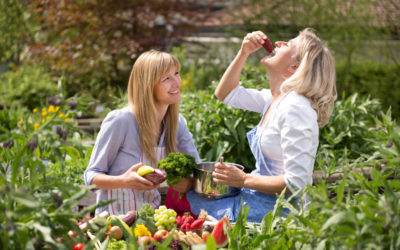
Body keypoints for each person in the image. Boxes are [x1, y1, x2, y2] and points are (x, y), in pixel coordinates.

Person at [187, 28, 337, 222]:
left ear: (294, 67)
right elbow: (225, 94)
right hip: (261, 199)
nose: (278, 43)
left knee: (187, 205)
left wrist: (243, 179)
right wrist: (244, 52)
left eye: (288, 44)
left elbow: (296, 182)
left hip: (280, 212)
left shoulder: (296, 108)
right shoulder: (273, 99)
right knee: (186, 200)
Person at [84, 50, 200, 216]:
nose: (177, 83)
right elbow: (91, 176)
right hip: (115, 221)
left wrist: (188, 183)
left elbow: (197, 169)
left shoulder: (177, 123)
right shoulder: (121, 121)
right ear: (148, 85)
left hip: (151, 223)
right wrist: (124, 181)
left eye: (176, 74)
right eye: (166, 78)